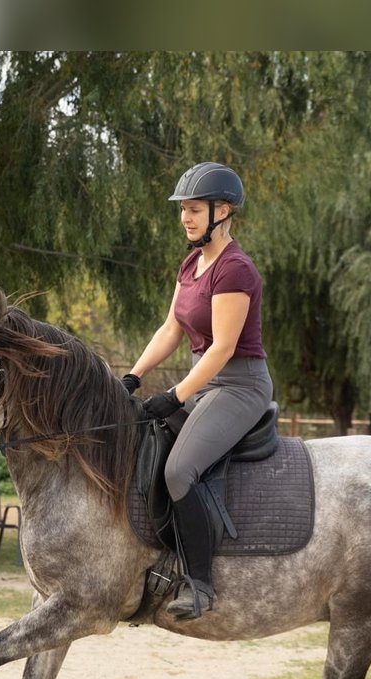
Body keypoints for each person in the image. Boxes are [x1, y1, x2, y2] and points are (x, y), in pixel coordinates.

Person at [121, 161, 273, 620]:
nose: (184, 218)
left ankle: (200, 584)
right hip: (206, 381)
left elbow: (223, 347)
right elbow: (171, 328)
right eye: (182, 210)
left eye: (193, 209)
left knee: (179, 470)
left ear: (221, 211)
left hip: (239, 385)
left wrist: (176, 395)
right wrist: (133, 376)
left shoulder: (235, 270)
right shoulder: (192, 263)